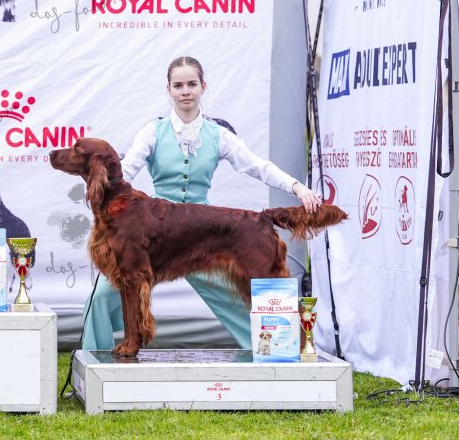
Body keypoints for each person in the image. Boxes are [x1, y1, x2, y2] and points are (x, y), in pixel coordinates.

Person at [82, 55, 321, 351]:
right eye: (178, 85)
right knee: (101, 295)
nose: (185, 91)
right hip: (157, 235)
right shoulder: (152, 131)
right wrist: (99, 181)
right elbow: (126, 170)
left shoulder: (218, 135)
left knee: (252, 292)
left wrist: (297, 187)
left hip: (205, 236)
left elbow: (258, 166)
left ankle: (279, 347)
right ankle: (93, 355)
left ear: (203, 87)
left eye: (192, 84)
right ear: (169, 89)